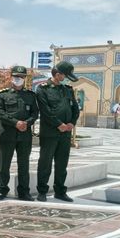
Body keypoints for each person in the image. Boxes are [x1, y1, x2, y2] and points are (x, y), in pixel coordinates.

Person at [36, 61, 80, 202]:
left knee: (62, 164)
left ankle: (60, 191)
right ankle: (42, 191)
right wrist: (58, 124)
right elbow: (45, 110)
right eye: (65, 76)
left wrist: (72, 123)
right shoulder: (42, 89)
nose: (66, 79)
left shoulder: (68, 89)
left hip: (65, 133)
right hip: (50, 133)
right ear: (57, 74)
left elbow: (75, 108)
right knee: (45, 163)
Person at [0, 65, 39, 201]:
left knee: (24, 165)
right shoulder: (3, 94)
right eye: (16, 76)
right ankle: (3, 190)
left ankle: (24, 192)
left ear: (25, 78)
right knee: (4, 164)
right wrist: (15, 123)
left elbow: (35, 113)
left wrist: (27, 123)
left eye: (21, 77)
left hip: (25, 135)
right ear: (11, 77)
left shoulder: (30, 95)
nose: (18, 79)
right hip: (7, 134)